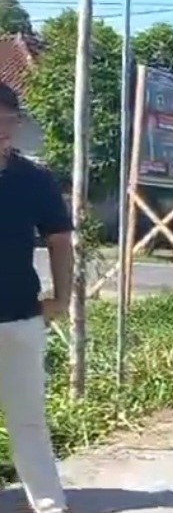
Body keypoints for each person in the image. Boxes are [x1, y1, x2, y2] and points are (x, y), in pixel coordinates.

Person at [0, 82, 71, 513]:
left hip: (21, 317)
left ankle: (48, 504)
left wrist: (62, 298)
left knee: (28, 419)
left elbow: (59, 240)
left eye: (8, 119)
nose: (4, 128)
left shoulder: (34, 178)